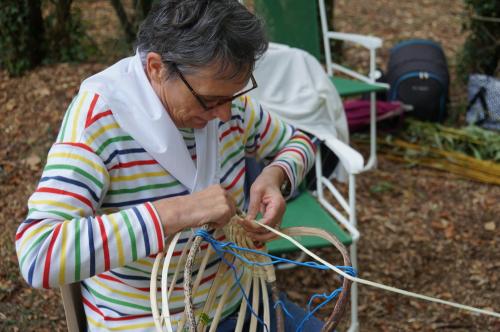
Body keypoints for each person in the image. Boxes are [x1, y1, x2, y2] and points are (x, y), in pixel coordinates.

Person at [16, 0, 321, 330]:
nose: (224, 115)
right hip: (150, 321)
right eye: (209, 100)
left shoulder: (227, 100)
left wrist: (277, 176)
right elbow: (38, 254)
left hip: (239, 303)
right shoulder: (100, 120)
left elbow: (301, 142)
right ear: (156, 68)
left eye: (233, 97)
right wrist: (177, 212)